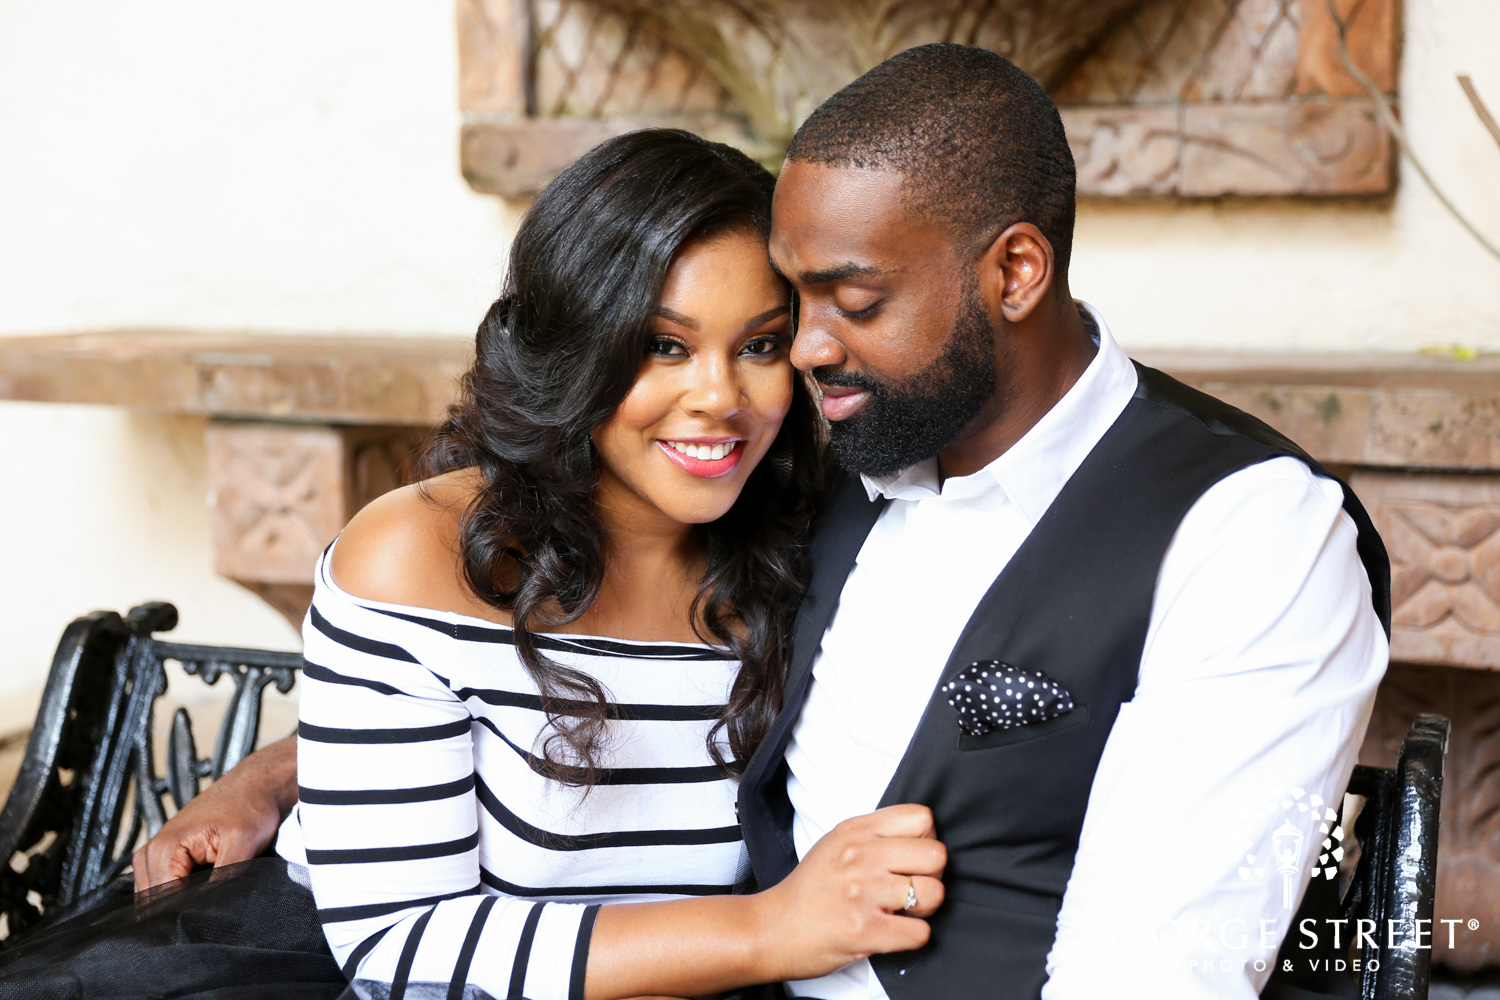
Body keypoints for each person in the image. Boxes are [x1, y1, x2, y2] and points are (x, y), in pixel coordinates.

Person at [136, 45, 1391, 1000]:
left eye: (802, 321)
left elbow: (1160, 967)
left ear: (1015, 272)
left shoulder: (1229, 531)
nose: (793, 363)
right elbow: (475, 733)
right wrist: (301, 769)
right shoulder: (824, 473)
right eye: (668, 343)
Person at [0, 129, 948, 1000]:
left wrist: (287, 768)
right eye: (662, 345)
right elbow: (400, 940)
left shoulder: (820, 545)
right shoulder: (413, 558)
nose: (719, 397)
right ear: (576, 349)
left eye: (760, 345)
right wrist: (771, 932)